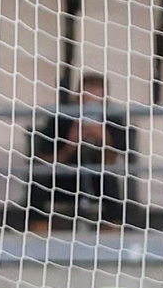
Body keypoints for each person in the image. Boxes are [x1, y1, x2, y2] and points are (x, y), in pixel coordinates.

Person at [25, 72, 131, 232]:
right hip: (64, 179)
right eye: (86, 102)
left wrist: (105, 140)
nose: (90, 108)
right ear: (77, 99)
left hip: (96, 181)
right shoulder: (61, 118)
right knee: (39, 179)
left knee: (109, 178)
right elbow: (43, 160)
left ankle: (112, 229)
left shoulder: (112, 119)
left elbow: (116, 162)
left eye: (97, 103)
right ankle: (38, 229)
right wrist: (70, 146)